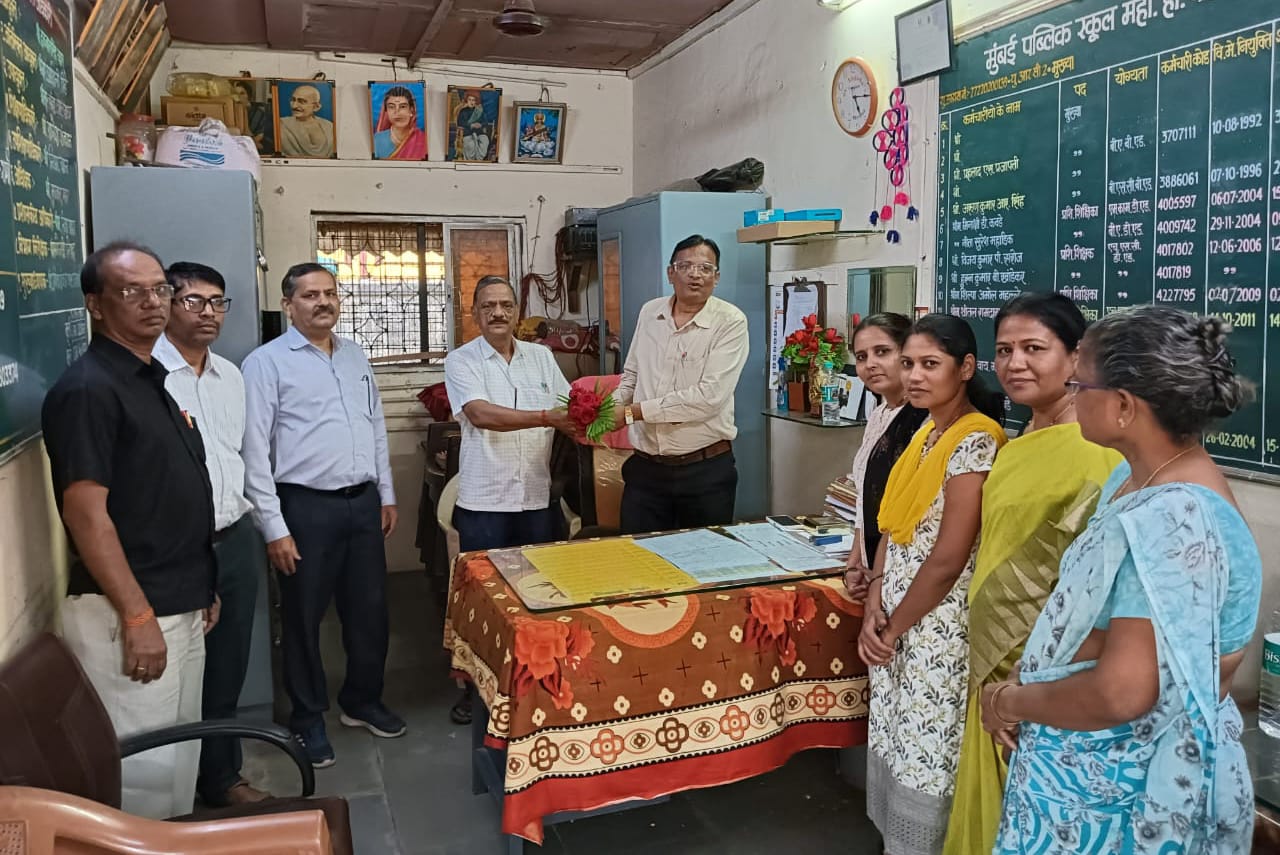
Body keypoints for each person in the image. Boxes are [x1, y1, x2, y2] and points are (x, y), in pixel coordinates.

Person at [983, 306, 1260, 854]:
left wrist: (1010, 702)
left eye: (1080, 383)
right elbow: (1096, 620)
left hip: (1124, 798)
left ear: (1124, 406)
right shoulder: (1134, 482)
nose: (1072, 393)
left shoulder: (1175, 520)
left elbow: (1123, 690)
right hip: (1077, 777)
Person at [41, 242, 218, 818]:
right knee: (141, 778)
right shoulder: (89, 389)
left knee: (178, 761)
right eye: (130, 291)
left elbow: (161, 495)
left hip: (178, 600)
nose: (152, 302)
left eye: (160, 289)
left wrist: (201, 585)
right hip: (132, 614)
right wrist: (138, 617)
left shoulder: (147, 378)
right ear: (95, 304)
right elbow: (85, 514)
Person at [942, 293, 1120, 855]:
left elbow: (1093, 582)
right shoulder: (1017, 441)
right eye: (1004, 350)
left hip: (1042, 667)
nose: (1015, 363)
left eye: (1033, 349)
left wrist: (1032, 675)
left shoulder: (1098, 453)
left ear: (1076, 357)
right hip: (989, 655)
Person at [242, 262, 403, 769]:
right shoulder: (266, 364)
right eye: (310, 295)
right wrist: (274, 528)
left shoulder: (354, 355)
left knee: (369, 610)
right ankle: (308, 716)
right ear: (288, 305)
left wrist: (386, 494)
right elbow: (254, 451)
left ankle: (362, 699)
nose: (323, 302)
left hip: (362, 503)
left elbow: (374, 427)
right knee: (304, 616)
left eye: (330, 293)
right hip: (304, 507)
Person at [858, 313, 1007, 855]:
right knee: (897, 737)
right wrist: (874, 602)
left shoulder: (976, 441)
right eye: (908, 364)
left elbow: (948, 558)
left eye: (930, 364)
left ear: (965, 368)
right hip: (895, 616)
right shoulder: (925, 431)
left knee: (928, 749)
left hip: (937, 626)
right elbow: (892, 526)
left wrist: (893, 627)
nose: (914, 376)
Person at [153, 262, 271, 808]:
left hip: (235, 538)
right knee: (175, 680)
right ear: (166, 304)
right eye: (194, 301)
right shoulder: (150, 376)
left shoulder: (230, 376)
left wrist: (267, 527)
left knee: (227, 669)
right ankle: (167, 796)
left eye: (218, 302)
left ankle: (221, 778)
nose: (209, 313)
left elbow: (247, 458)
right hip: (180, 549)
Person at [442, 275, 576, 724]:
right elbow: (481, 414)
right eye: (488, 306)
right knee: (484, 602)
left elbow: (569, 405)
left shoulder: (541, 357)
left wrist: (599, 417)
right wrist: (545, 417)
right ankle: (474, 689)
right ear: (475, 313)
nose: (498, 313)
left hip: (535, 497)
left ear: (517, 311)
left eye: (505, 304)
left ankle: (536, 685)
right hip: (486, 503)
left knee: (536, 597)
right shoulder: (462, 361)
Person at [613, 235, 749, 534]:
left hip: (704, 471)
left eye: (705, 268)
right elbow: (632, 374)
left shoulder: (730, 322)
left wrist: (631, 413)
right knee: (639, 555)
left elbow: (709, 397)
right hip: (646, 470)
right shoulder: (650, 312)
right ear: (670, 273)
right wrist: (609, 409)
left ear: (716, 277)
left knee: (702, 557)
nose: (695, 275)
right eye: (685, 266)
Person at [842, 312, 927, 598]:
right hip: (874, 566)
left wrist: (879, 576)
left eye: (882, 352)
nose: (870, 364)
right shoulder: (879, 414)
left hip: (906, 570)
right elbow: (865, 498)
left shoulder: (924, 419)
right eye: (862, 357)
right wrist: (855, 562)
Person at [278, 84, 335, 159]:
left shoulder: (329, 126)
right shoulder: (281, 124)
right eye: (293, 100)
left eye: (301, 101)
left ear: (316, 107)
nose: (294, 106)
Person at [372, 85, 427, 160]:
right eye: (391, 107)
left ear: (411, 111)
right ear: (386, 112)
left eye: (403, 106)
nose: (397, 111)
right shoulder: (377, 140)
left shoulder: (423, 140)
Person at [453, 91, 490, 161]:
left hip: (479, 132)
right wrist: (471, 125)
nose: (471, 102)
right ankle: (470, 160)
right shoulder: (463, 111)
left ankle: (479, 160)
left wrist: (480, 125)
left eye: (473, 100)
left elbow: (485, 122)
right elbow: (460, 123)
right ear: (467, 100)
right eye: (470, 100)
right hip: (467, 133)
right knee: (471, 145)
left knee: (485, 140)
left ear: (476, 101)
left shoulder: (479, 111)